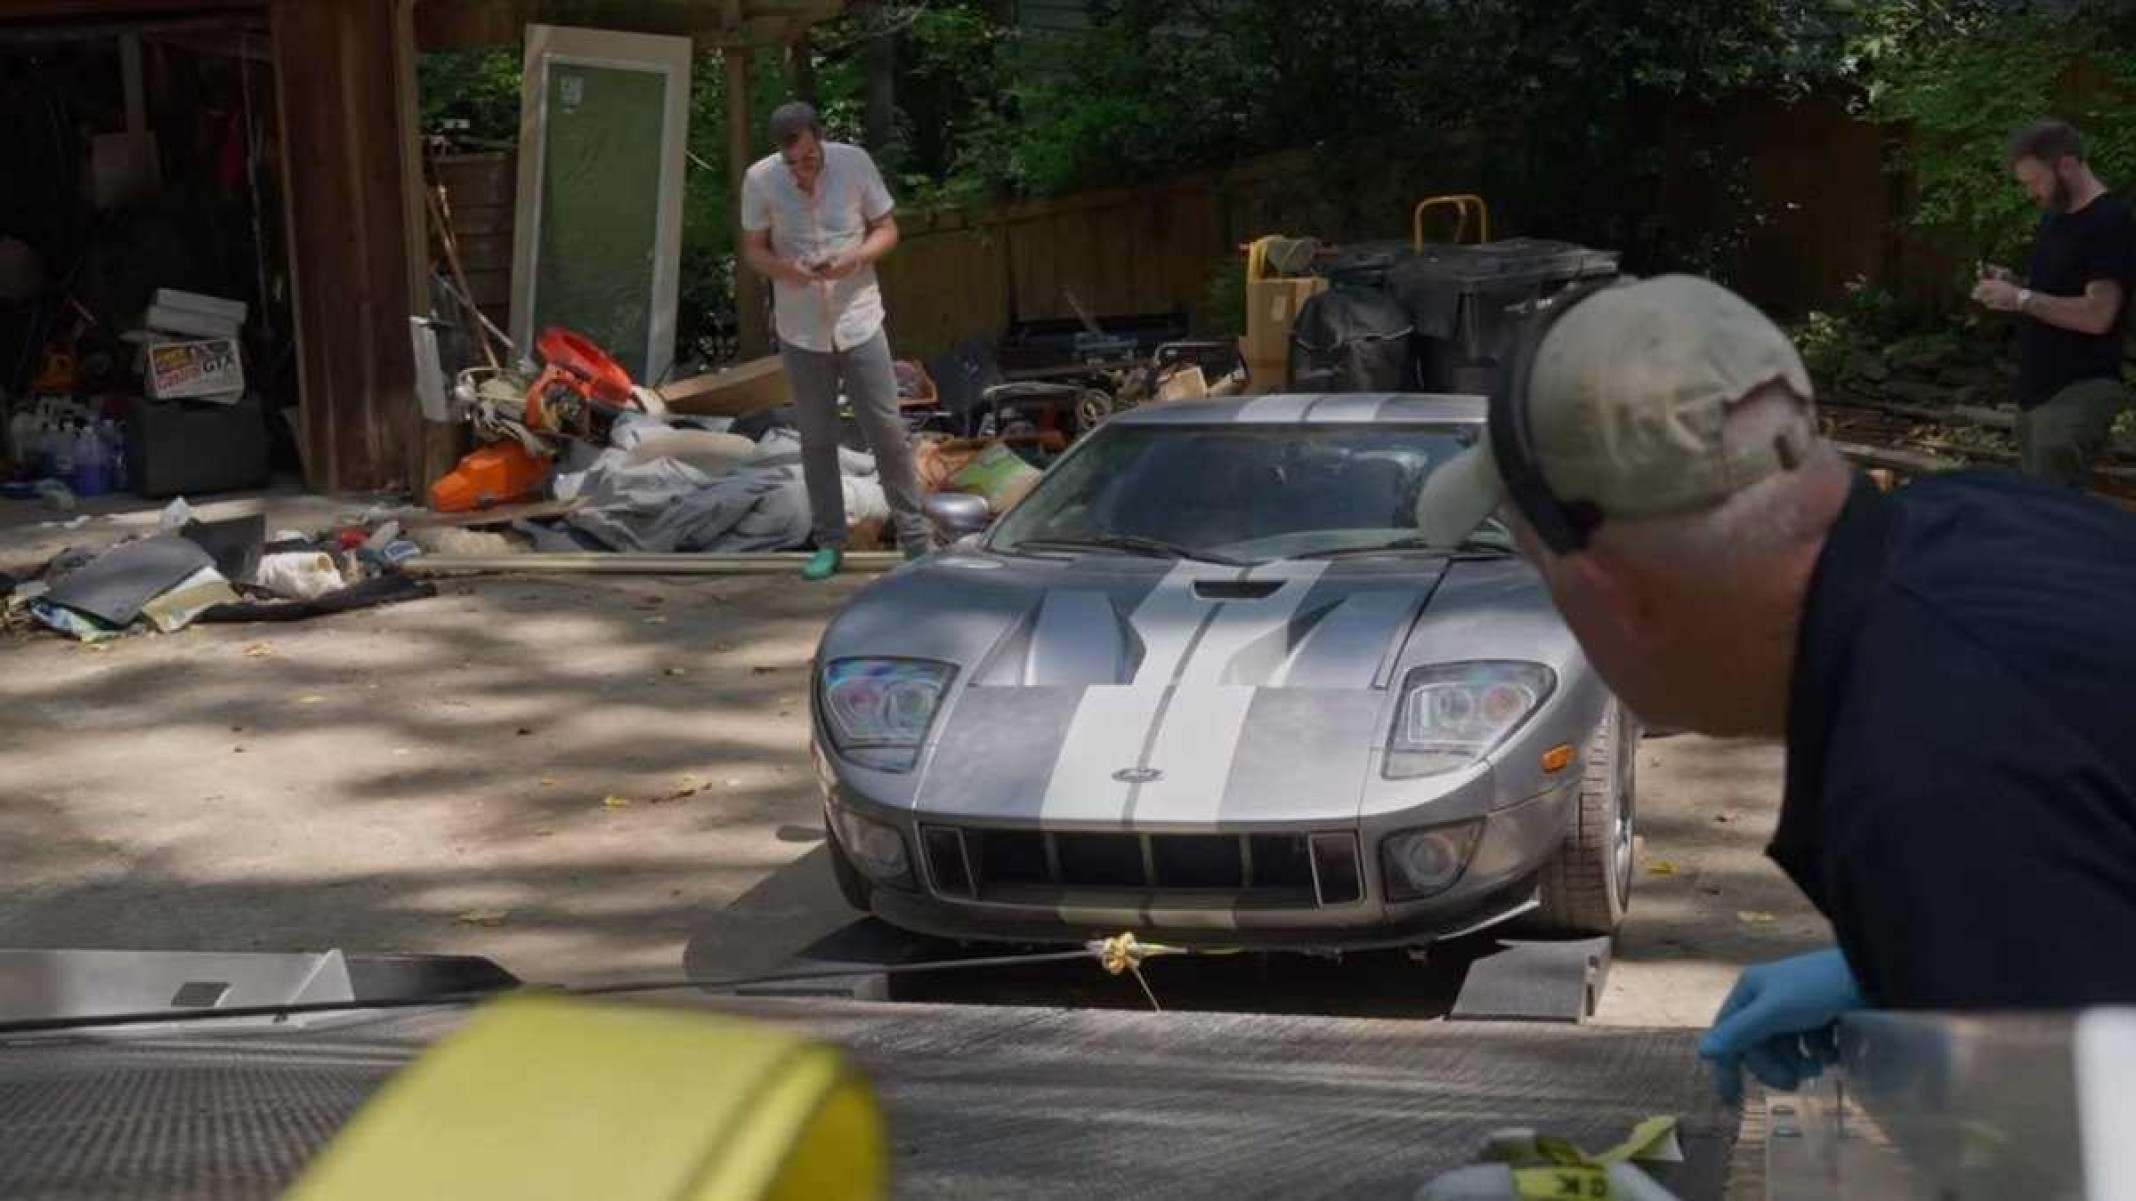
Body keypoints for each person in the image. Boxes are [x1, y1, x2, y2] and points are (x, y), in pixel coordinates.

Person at [1416, 274, 2136, 1100]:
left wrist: (1950, 936)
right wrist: (1919, 965)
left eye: (1541, 575)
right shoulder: (1988, 518)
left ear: (1616, 594)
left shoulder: (1926, 782)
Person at [739, 101, 930, 579]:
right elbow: (754, 251)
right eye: (793, 163)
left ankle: (915, 538)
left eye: (809, 158)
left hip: (859, 317)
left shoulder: (854, 162)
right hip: (801, 328)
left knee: (885, 428)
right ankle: (829, 543)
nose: (803, 169)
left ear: (820, 139)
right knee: (816, 437)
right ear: (778, 155)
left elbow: (888, 228)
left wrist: (857, 258)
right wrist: (786, 270)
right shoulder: (761, 180)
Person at [1970, 119, 2135, 487]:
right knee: (2037, 513)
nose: (2032, 192)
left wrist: (2021, 299)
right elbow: (2055, 292)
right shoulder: (2055, 219)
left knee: (2055, 521)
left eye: (2035, 181)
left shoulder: (2110, 220)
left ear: (2066, 164)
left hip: (2079, 390)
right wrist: (2014, 284)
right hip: (2037, 391)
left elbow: (2098, 315)